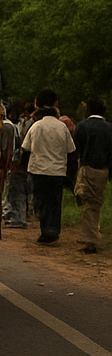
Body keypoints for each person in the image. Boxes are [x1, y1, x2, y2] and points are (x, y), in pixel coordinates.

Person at [21, 89, 77, 244]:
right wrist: (70, 172)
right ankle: (52, 230)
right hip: (57, 171)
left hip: (38, 170)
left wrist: (25, 168)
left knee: (41, 200)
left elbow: (25, 149)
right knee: (54, 201)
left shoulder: (36, 127)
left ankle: (45, 229)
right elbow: (71, 151)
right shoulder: (62, 127)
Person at [73, 97, 111, 253]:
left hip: (87, 167)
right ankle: (92, 232)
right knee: (94, 201)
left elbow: (76, 148)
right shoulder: (109, 128)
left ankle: (91, 239)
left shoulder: (83, 126)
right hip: (103, 170)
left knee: (88, 202)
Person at [2, 100, 29, 228]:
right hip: (17, 163)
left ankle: (17, 218)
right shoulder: (15, 126)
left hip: (16, 163)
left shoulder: (12, 126)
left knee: (16, 191)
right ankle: (13, 214)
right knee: (14, 190)